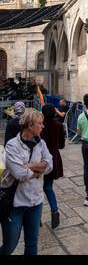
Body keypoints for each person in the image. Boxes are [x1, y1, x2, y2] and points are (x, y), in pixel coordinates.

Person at [0, 108, 53, 255]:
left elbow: (49, 166)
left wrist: (30, 166)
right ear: (30, 125)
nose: (43, 126)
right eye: (40, 123)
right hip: (15, 204)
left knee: (32, 243)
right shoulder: (12, 145)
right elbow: (19, 173)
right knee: (10, 245)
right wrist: (38, 170)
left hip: (36, 202)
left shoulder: (41, 143)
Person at [41, 104, 65, 229]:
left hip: (40, 159)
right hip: (54, 158)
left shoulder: (40, 126)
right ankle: (54, 210)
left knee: (37, 188)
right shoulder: (59, 126)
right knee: (48, 187)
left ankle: (36, 217)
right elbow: (61, 145)